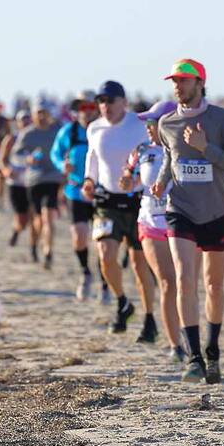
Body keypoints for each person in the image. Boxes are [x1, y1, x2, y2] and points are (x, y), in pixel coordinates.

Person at [153, 59, 224, 382]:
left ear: (200, 83)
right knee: (184, 279)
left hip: (217, 212)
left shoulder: (221, 119)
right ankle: (193, 357)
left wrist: (206, 148)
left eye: (183, 80)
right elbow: (170, 158)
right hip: (180, 210)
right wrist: (162, 181)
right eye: (174, 81)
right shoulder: (167, 123)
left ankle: (213, 350)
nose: (177, 86)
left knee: (214, 286)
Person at [82, 80, 156, 338]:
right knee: (105, 254)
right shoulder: (94, 128)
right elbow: (92, 158)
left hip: (136, 201)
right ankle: (122, 302)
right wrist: (88, 181)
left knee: (139, 264)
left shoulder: (139, 125)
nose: (105, 106)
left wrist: (136, 180)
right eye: (101, 101)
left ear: (124, 102)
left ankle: (149, 318)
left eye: (111, 100)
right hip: (106, 200)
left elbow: (152, 156)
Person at [124, 100, 185, 358]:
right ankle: (175, 345)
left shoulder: (187, 149)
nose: (148, 127)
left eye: (153, 122)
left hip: (182, 222)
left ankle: (188, 332)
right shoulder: (141, 150)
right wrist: (127, 180)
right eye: (147, 122)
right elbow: (129, 180)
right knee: (168, 282)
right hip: (150, 221)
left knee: (186, 283)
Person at [51, 96, 104, 300]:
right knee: (79, 236)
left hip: (101, 192)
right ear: (77, 110)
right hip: (75, 191)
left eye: (92, 107)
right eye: (83, 107)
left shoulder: (104, 129)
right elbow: (55, 154)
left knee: (103, 242)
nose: (88, 111)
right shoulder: (69, 131)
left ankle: (106, 283)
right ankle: (85, 272)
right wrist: (61, 166)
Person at [12, 101, 63, 268]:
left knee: (48, 217)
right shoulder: (27, 134)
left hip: (53, 178)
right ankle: (34, 246)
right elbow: (16, 155)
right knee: (37, 219)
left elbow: (66, 148)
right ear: (33, 115)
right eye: (38, 113)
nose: (42, 116)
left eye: (45, 113)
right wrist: (27, 159)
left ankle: (48, 251)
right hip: (33, 180)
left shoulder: (58, 131)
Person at [0, 109, 36, 251]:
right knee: (22, 219)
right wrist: (6, 170)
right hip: (15, 183)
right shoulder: (11, 139)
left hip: (33, 181)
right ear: (17, 123)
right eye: (22, 120)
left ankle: (33, 248)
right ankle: (16, 230)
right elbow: (1, 159)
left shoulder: (36, 138)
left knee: (34, 216)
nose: (26, 122)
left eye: (28, 119)